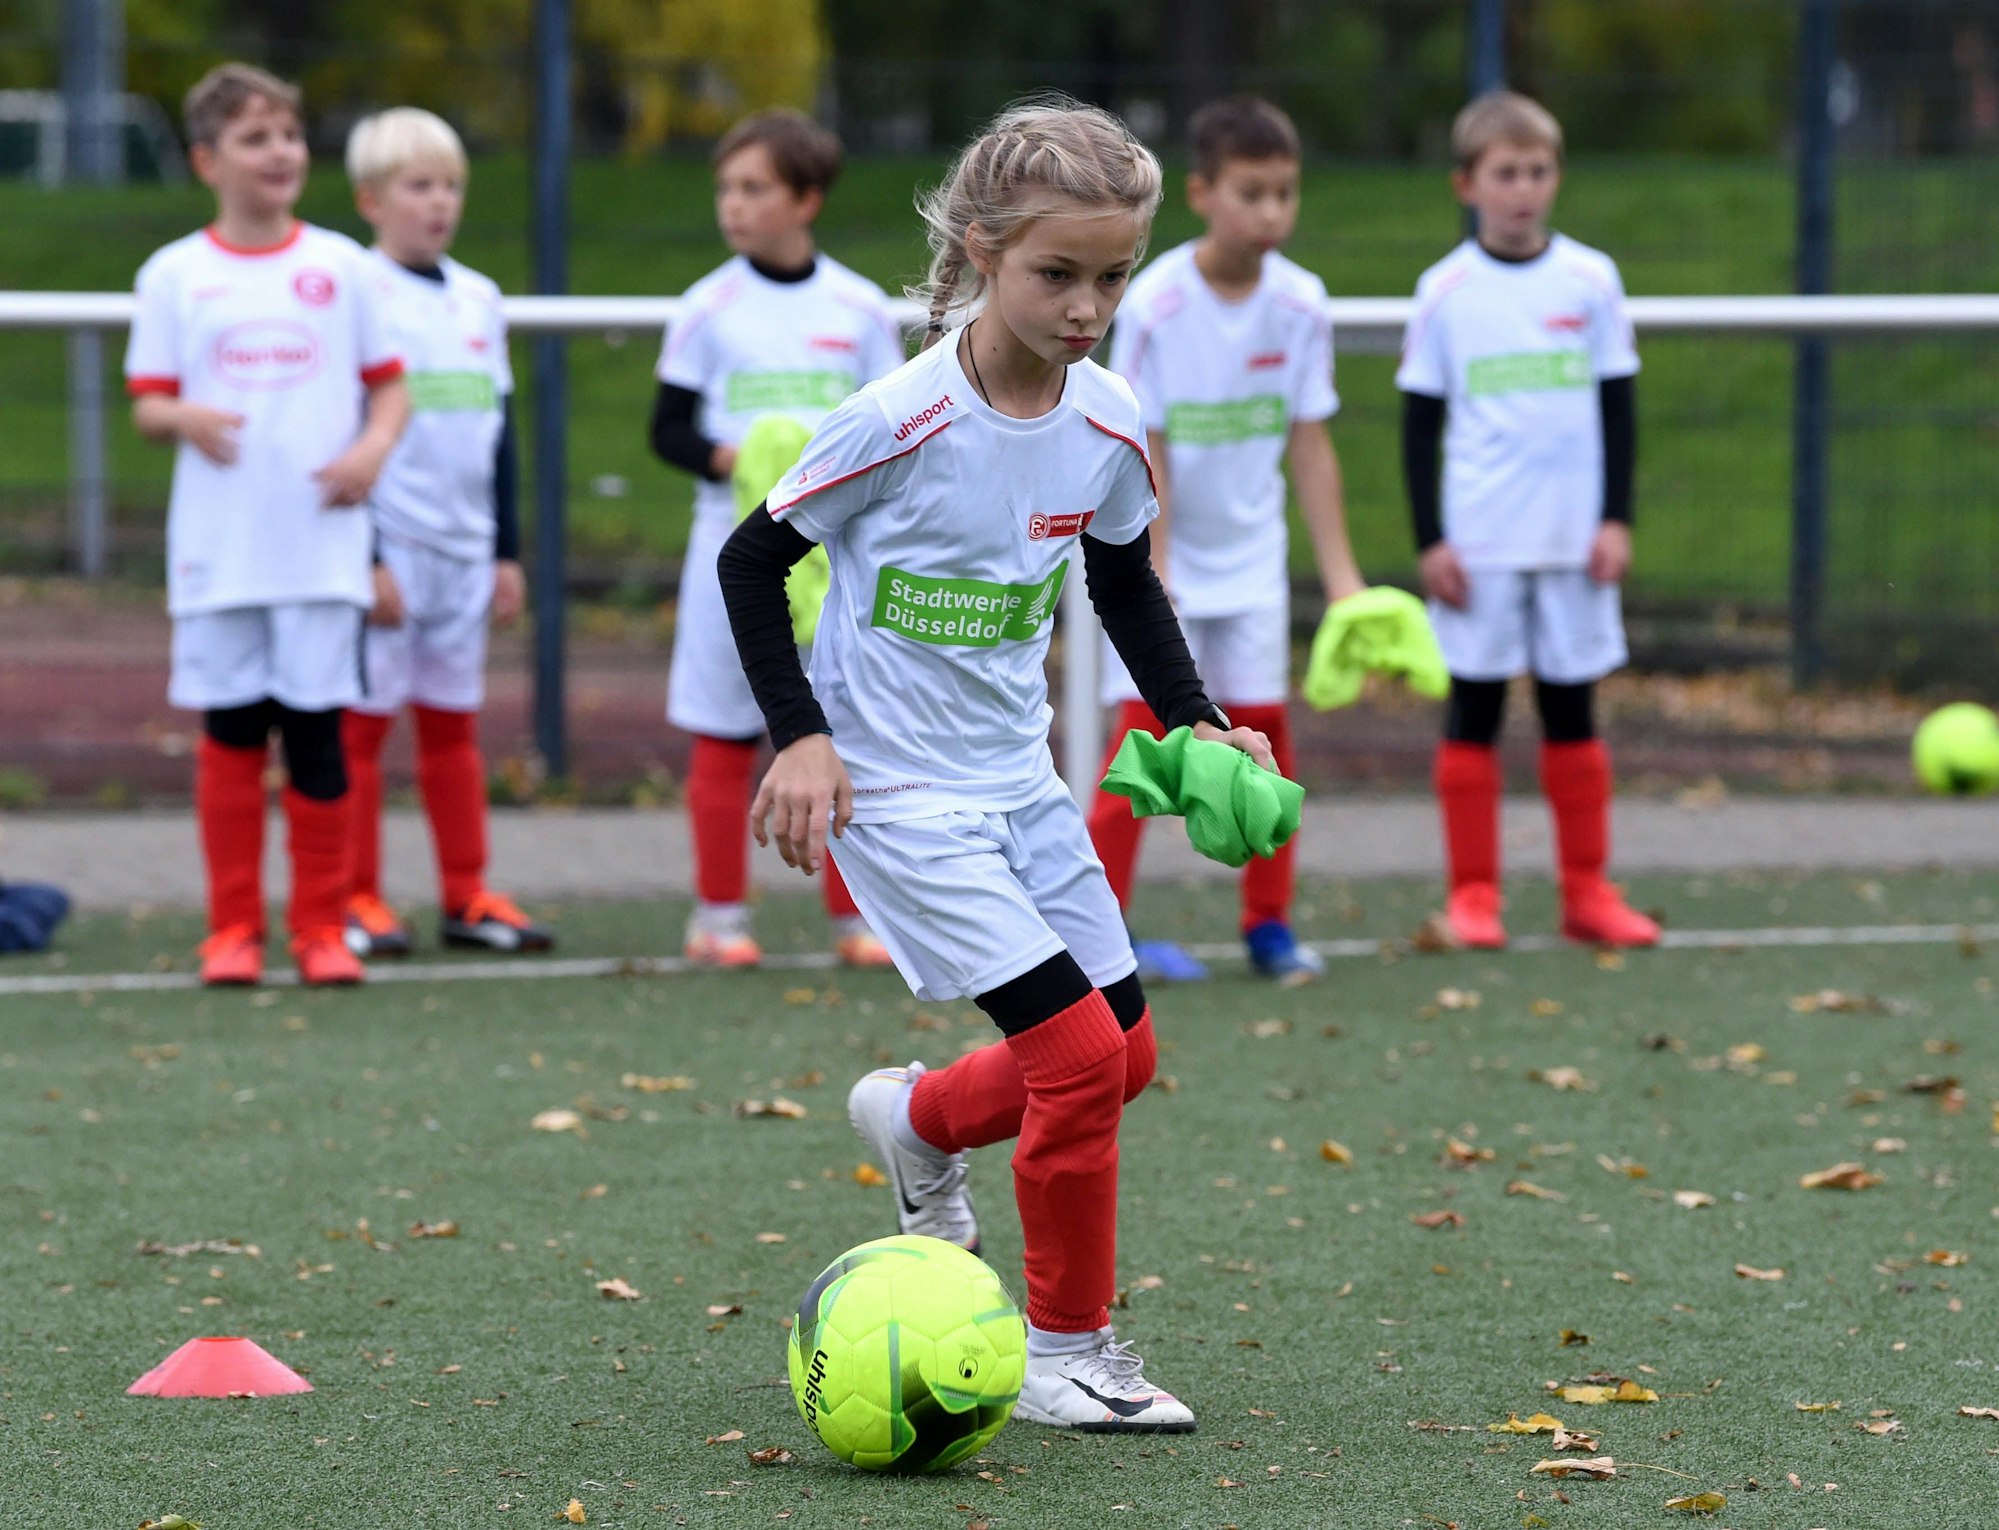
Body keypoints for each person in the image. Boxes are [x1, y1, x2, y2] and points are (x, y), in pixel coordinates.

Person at [718, 97, 1276, 1433]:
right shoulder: (895, 420)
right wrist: (799, 738)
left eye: (1111, 276)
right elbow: (753, 560)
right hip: (899, 796)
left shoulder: (1105, 419)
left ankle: (916, 1118)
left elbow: (1119, 578)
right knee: (1079, 1057)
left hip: (1017, 786)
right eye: (1055, 274)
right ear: (978, 249)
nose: (1086, 306)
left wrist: (1192, 719)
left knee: (1122, 1058)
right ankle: (1062, 1348)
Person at [125, 63, 408, 987]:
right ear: (207, 159)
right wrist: (185, 418)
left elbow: (389, 388)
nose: (279, 151)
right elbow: (149, 405)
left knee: (318, 736)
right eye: (254, 137)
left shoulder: (343, 266)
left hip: (321, 551)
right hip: (222, 553)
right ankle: (231, 930)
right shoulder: (174, 273)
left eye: (288, 133)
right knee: (233, 734)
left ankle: (320, 930)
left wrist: (369, 451)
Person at [1088, 95, 1367, 985]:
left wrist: (1344, 582)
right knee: (1144, 741)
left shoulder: (1301, 303)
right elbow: (1143, 442)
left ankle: (1269, 927)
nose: (1272, 212)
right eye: (1253, 192)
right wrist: (1152, 568)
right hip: (1162, 568)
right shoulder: (1159, 300)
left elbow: (1310, 443)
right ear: (1202, 193)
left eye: (1285, 193)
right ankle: (1099, 933)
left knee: (1265, 742)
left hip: (1251, 570)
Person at [1397, 90, 1659, 950]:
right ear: (1466, 183)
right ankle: (1474, 896)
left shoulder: (1590, 280)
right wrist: (1431, 538)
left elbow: (1619, 410)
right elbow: (1419, 426)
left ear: (1555, 178)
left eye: (1537, 171)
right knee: (1473, 710)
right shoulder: (1445, 291)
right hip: (1479, 548)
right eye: (1505, 173)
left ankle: (1586, 891)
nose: (1522, 189)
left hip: (1574, 544)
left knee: (1570, 709)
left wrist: (1615, 519)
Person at [650, 109, 904, 969]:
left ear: (806, 199)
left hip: (836, 564)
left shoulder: (860, 309)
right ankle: (719, 920)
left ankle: (858, 920)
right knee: (724, 731)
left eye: (753, 187)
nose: (733, 204)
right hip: (729, 555)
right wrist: (742, 459)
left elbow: (893, 428)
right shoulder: (706, 307)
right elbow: (666, 431)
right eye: (725, 187)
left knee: (847, 731)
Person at [337, 107, 552, 959]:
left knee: (452, 728)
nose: (439, 204)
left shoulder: (478, 297)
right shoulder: (356, 292)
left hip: (465, 555)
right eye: (418, 187)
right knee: (361, 730)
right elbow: (341, 428)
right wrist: (370, 557)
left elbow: (497, 431)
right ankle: (354, 897)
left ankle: (466, 894)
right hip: (388, 552)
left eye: (451, 186)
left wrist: (504, 550)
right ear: (370, 199)